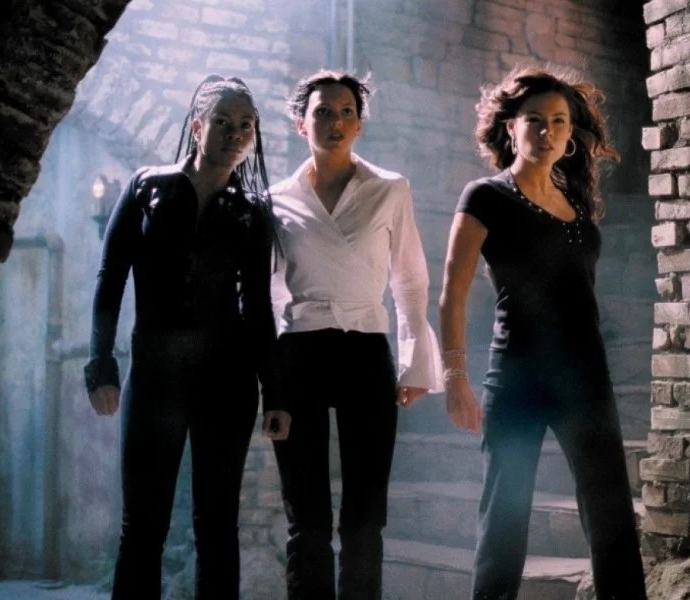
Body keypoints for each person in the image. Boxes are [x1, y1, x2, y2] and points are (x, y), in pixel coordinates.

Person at [439, 65, 647, 599]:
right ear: (511, 127)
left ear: (571, 132)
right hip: (518, 377)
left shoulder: (575, 202)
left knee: (611, 515)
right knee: (504, 519)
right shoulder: (485, 196)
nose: (547, 131)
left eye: (559, 121)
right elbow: (452, 293)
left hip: (585, 376)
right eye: (535, 119)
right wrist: (455, 377)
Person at [83, 74, 292, 600]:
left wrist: (275, 391)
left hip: (227, 381)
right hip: (155, 376)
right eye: (222, 121)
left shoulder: (251, 212)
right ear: (198, 126)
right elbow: (110, 278)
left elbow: (258, 307)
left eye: (245, 125)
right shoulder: (147, 188)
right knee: (143, 524)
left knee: (217, 526)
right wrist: (101, 364)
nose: (235, 134)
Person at [269, 69, 444, 600]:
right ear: (301, 124)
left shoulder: (390, 189)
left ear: (360, 125)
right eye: (323, 112)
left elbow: (409, 279)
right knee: (307, 519)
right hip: (299, 351)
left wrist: (414, 362)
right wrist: (273, 386)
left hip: (364, 348)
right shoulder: (275, 199)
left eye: (347, 112)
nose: (336, 122)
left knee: (365, 516)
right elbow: (268, 295)